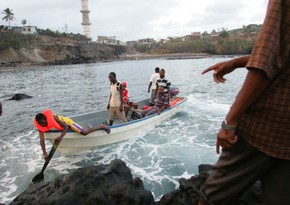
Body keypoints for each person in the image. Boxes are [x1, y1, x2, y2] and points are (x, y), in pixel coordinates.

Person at [199, 1, 290, 205]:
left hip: (264, 127)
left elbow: (266, 62)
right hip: (287, 139)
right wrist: (236, 62)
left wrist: (229, 123)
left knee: (210, 199)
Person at [34, 109, 110, 161]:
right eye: (40, 124)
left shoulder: (53, 118)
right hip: (62, 128)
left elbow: (66, 127)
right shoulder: (40, 127)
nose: (42, 125)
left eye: (42, 122)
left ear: (45, 119)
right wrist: (44, 153)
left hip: (69, 123)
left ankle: (101, 126)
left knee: (84, 132)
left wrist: (61, 137)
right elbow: (42, 140)